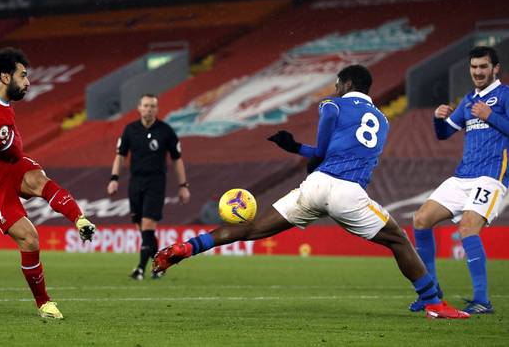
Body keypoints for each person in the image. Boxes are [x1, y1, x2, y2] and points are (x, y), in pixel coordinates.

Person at [153, 64, 469, 319]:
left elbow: (320, 154)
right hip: (348, 192)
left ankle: (185, 249)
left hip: (317, 186)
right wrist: (305, 151)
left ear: (346, 84)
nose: (334, 89)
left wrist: (293, 147)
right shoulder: (384, 121)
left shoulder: (331, 105)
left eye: (336, 84)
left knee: (249, 228)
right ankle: (433, 303)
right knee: (398, 240)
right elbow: (345, 152)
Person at [0, 47, 96, 319]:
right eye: (23, 76)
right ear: (5, 77)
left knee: (38, 179)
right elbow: (14, 151)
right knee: (30, 239)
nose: (28, 82)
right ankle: (43, 303)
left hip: (3, 164)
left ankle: (79, 219)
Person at [411, 46, 508, 314]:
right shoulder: (467, 101)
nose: (478, 72)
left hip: (492, 177)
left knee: (467, 227)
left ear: (495, 68)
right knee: (420, 219)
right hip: (463, 175)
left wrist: (492, 116)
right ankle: (430, 293)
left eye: (483, 67)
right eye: (474, 67)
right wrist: (437, 118)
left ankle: (482, 300)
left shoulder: (505, 96)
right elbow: (444, 134)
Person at [107, 94, 190, 280]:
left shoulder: (166, 131)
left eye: (152, 106)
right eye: (146, 105)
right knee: (143, 229)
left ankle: (140, 269)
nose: (149, 109)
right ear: (139, 108)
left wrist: (183, 185)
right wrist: (114, 178)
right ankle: (161, 262)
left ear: (157, 109)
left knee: (147, 226)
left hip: (156, 183)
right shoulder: (130, 130)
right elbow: (120, 156)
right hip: (135, 182)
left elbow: (177, 159)